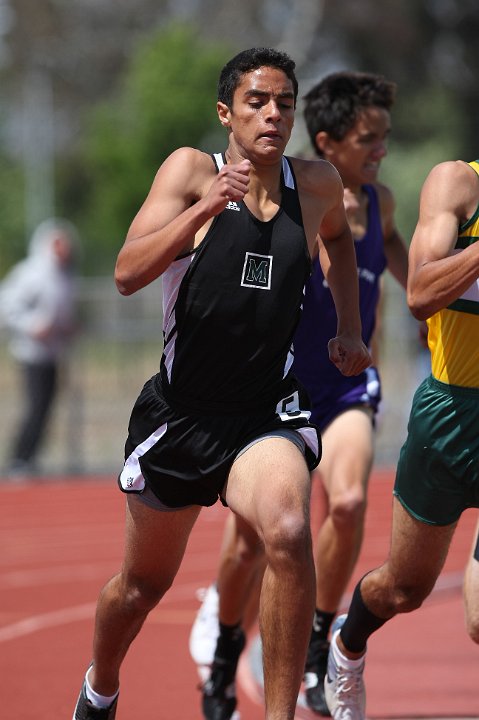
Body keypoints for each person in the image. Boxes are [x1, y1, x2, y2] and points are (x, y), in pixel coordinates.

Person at [72, 47, 371, 720]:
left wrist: (350, 326)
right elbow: (125, 272)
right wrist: (202, 209)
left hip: (263, 413)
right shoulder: (189, 170)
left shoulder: (316, 183)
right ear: (225, 113)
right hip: (180, 417)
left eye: (284, 104)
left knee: (289, 531)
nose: (272, 115)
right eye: (256, 102)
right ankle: (100, 687)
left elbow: (342, 240)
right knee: (140, 588)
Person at [189, 71, 410, 718]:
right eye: (368, 139)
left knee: (344, 504)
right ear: (327, 142)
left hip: (344, 385)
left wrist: (429, 294)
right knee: (251, 545)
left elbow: (398, 254)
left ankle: (316, 644)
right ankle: (227, 645)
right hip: (280, 388)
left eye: (384, 139)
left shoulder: (382, 204)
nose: (379, 151)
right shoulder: (301, 199)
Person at [324, 157, 479, 720]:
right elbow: (417, 293)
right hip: (451, 415)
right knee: (404, 589)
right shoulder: (459, 183)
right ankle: (347, 645)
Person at [0, 218, 78, 477]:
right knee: (35, 407)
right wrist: (32, 325)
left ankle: (30, 459)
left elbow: (61, 311)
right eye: (59, 244)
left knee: (46, 409)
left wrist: (67, 327)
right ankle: (19, 459)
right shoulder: (31, 273)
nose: (64, 249)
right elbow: (7, 306)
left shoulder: (63, 275)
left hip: (53, 353)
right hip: (31, 353)